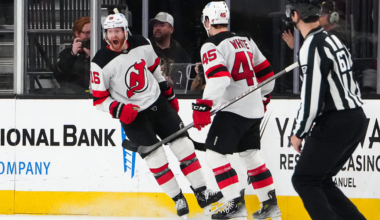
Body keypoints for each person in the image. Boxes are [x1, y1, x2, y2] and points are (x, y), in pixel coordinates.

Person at [91, 12, 222, 219]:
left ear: (126, 32)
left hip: (158, 105)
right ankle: (178, 198)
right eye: (109, 31)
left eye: (117, 31)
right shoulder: (100, 61)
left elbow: (154, 70)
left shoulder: (142, 43)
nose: (113, 35)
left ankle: (202, 192)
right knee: (156, 159)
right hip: (133, 118)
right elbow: (98, 100)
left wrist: (169, 96)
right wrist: (117, 109)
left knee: (185, 147)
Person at [192, 2, 281, 220]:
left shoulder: (211, 44)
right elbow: (267, 74)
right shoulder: (245, 39)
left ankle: (234, 204)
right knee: (251, 156)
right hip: (253, 110)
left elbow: (220, 77)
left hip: (233, 110)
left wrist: (205, 105)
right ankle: (269, 204)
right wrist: (264, 95)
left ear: (207, 21)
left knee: (214, 154)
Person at [287, 1, 367, 220]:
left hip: (337, 121)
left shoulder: (312, 45)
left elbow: (312, 96)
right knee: (320, 180)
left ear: (295, 15)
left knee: (304, 179)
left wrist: (299, 131)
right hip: (356, 117)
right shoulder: (332, 40)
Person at [149, 12, 191, 90]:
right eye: (155, 25)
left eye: (161, 25)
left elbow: (185, 85)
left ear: (171, 29)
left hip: (174, 97)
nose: (157, 28)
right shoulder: (146, 50)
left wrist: (172, 83)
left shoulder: (181, 54)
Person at [55, 16, 91, 93]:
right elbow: (59, 77)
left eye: (93, 32)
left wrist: (93, 56)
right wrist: (72, 54)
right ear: (77, 33)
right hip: (75, 94)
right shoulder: (66, 53)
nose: (90, 36)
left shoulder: (103, 52)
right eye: (87, 33)